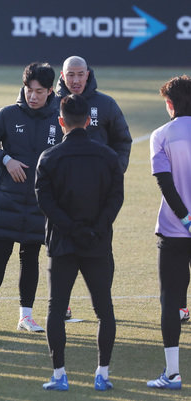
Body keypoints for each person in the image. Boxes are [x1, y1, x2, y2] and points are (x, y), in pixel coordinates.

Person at [35, 94, 123, 391]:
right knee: (104, 309)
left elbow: (45, 201)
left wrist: (71, 229)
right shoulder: (109, 157)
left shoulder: (49, 158)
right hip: (97, 243)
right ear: (88, 121)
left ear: (61, 122)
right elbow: (115, 199)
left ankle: (59, 375)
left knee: (56, 309)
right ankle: (103, 374)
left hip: (62, 244)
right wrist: (95, 228)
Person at [0, 62, 60, 333]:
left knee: (31, 256)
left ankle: (26, 316)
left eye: (39, 91)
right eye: (28, 89)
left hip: (39, 203)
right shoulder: (8, 115)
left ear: (49, 91)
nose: (33, 96)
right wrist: (6, 159)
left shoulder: (60, 117)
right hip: (7, 200)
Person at [55, 55, 132, 319]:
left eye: (80, 74)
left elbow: (122, 140)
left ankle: (102, 301)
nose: (75, 80)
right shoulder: (52, 105)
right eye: (70, 75)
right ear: (62, 76)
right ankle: (61, 304)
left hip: (98, 194)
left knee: (101, 244)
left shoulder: (106, 104)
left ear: (88, 74)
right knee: (59, 248)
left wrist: (116, 171)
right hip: (62, 193)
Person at [146, 75, 191, 390]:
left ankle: (173, 374)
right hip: (179, 229)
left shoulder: (160, 135)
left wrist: (188, 220)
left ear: (170, 104)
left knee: (170, 301)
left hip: (174, 232)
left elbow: (165, 183)